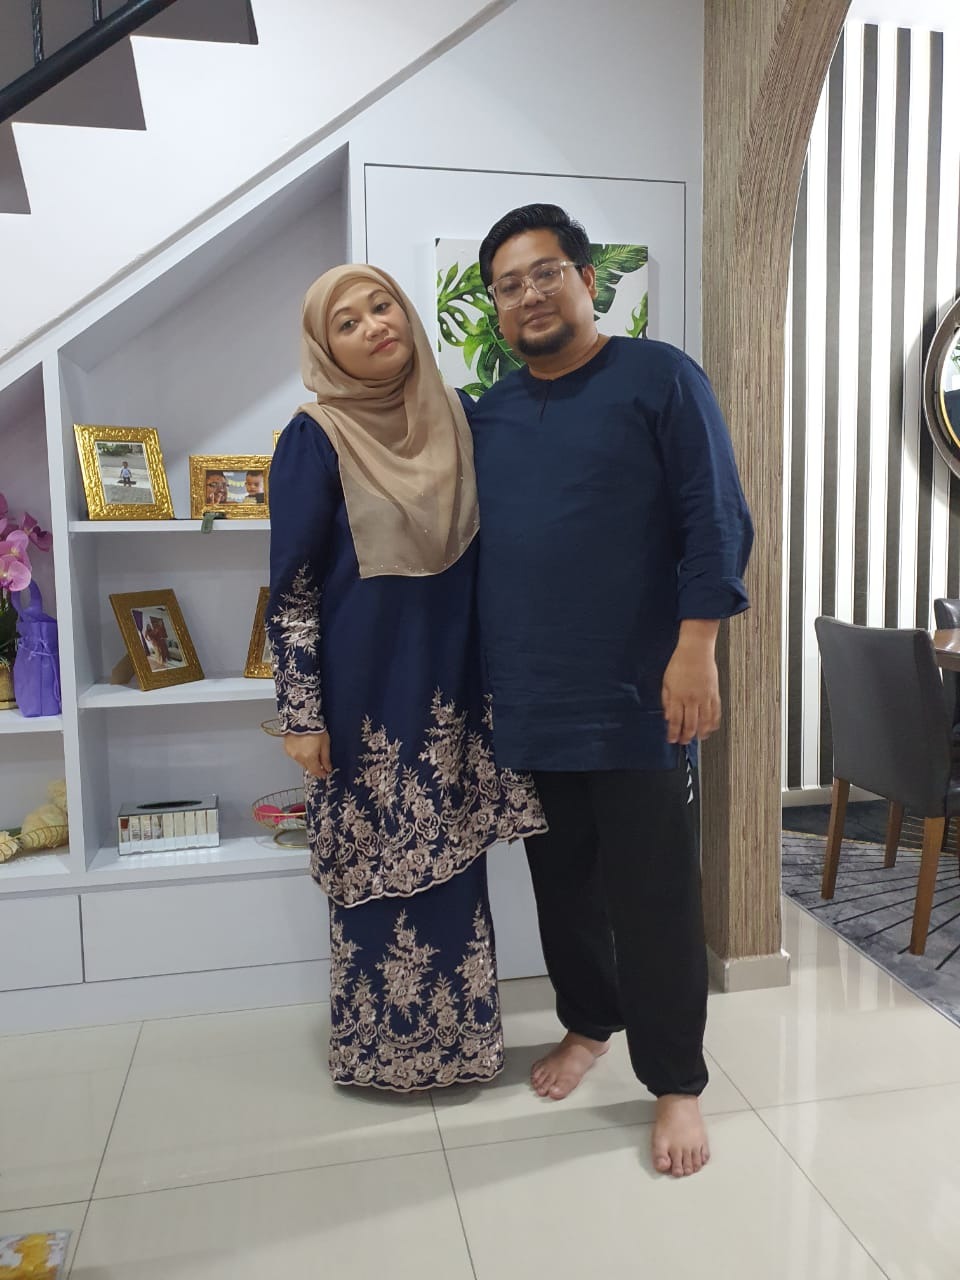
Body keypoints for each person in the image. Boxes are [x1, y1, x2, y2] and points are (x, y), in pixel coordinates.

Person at [469, 204, 754, 1177]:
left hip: (642, 695)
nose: (529, 295)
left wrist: (697, 647)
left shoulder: (661, 377)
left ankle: (675, 1081)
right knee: (565, 886)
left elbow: (716, 517)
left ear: (587, 280)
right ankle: (590, 1022)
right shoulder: (490, 414)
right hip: (532, 697)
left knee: (655, 894)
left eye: (545, 272)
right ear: (498, 307)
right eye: (509, 284)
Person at [267, 263, 544, 1092]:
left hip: (456, 688)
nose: (374, 326)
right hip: (365, 700)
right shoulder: (314, 438)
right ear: (326, 348)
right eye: (346, 322)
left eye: (381, 306)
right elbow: (292, 592)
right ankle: (377, 1051)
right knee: (373, 875)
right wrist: (301, 715)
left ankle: (464, 1049)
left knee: (456, 870)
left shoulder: (458, 416)